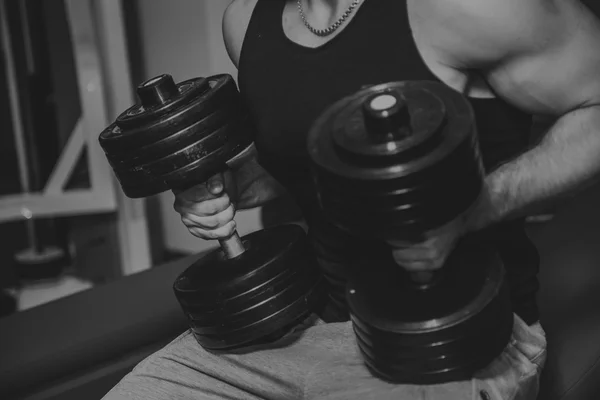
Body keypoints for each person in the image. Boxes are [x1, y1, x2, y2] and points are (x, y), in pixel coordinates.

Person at [103, 0, 600, 399]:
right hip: (305, 323)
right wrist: (227, 185)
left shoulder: (469, 8)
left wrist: (473, 208)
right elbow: (300, 155)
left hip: (455, 337)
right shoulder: (246, 20)